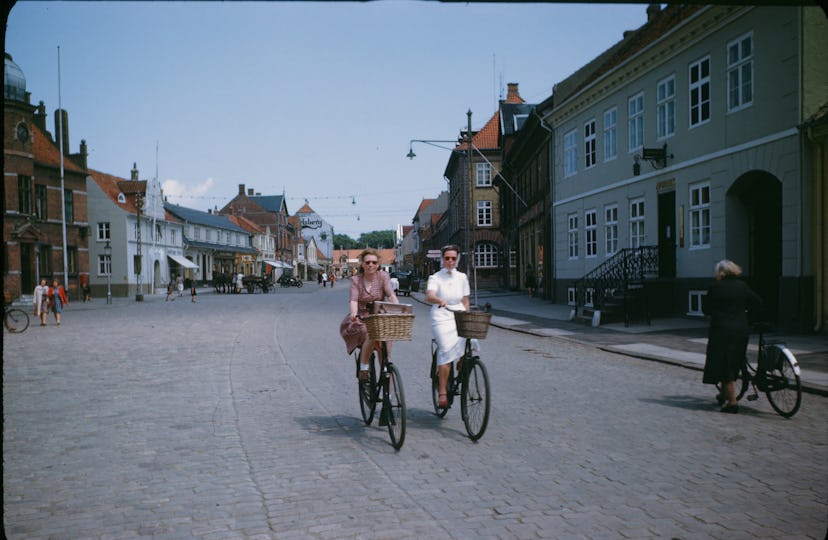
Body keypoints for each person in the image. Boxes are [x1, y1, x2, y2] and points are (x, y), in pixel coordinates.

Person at [702, 259, 762, 414]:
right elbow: (758, 302)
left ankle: (732, 402)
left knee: (723, 362)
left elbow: (706, 309)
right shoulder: (742, 286)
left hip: (721, 330)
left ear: (720, 273)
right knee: (733, 360)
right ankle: (723, 394)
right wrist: (745, 313)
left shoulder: (714, 287)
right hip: (741, 329)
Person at [339, 248, 399, 380]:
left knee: (385, 353)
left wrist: (398, 308)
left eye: (373, 262)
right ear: (362, 264)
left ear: (377, 264)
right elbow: (354, 299)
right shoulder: (356, 280)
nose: (370, 265)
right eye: (367, 262)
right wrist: (354, 314)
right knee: (372, 333)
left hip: (379, 316)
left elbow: (391, 294)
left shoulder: (383, 276)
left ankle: (388, 393)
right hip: (362, 317)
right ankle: (364, 367)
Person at [425, 245, 471, 408]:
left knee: (471, 343)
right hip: (441, 314)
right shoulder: (435, 277)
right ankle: (443, 391)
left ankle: (460, 363)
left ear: (457, 259)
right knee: (445, 349)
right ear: (442, 259)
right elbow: (430, 296)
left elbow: (465, 300)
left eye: (453, 258)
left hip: (458, 313)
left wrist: (468, 316)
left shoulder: (462, 277)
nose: (450, 261)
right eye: (447, 258)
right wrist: (438, 300)